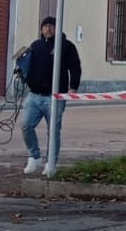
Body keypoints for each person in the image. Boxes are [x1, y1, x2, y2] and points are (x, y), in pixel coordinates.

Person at [16, 16, 82, 174]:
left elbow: (75, 67)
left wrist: (73, 87)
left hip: (55, 96)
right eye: (45, 26)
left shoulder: (66, 46)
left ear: (57, 28)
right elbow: (27, 63)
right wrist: (20, 71)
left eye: (51, 26)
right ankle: (34, 156)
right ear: (41, 29)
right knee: (26, 125)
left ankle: (51, 162)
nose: (48, 28)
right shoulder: (36, 45)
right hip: (34, 95)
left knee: (53, 131)